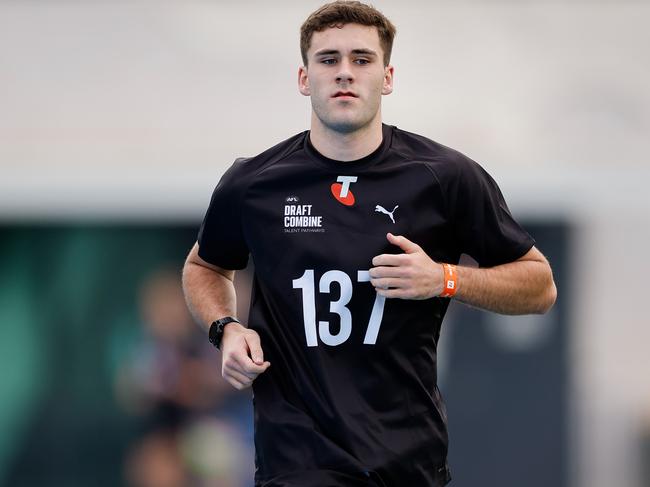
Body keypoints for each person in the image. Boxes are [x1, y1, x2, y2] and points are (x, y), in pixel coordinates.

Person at [182, 1, 557, 486]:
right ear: (303, 77)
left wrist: (444, 278)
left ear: (387, 77)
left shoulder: (443, 178)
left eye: (361, 60)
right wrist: (225, 329)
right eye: (328, 59)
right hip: (298, 462)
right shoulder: (254, 184)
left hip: (407, 462)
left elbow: (540, 286)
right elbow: (205, 267)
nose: (344, 73)